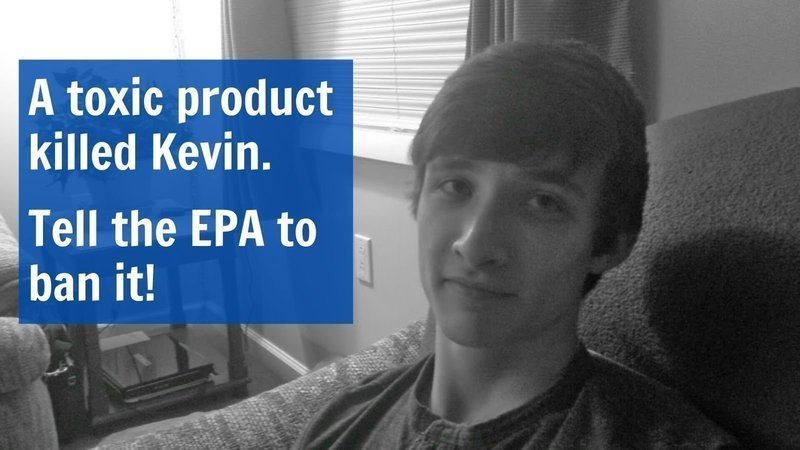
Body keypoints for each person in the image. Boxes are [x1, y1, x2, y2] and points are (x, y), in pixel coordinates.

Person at [294, 40, 739, 449]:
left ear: (610, 244)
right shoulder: (340, 422)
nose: (475, 244)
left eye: (542, 202)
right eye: (455, 186)